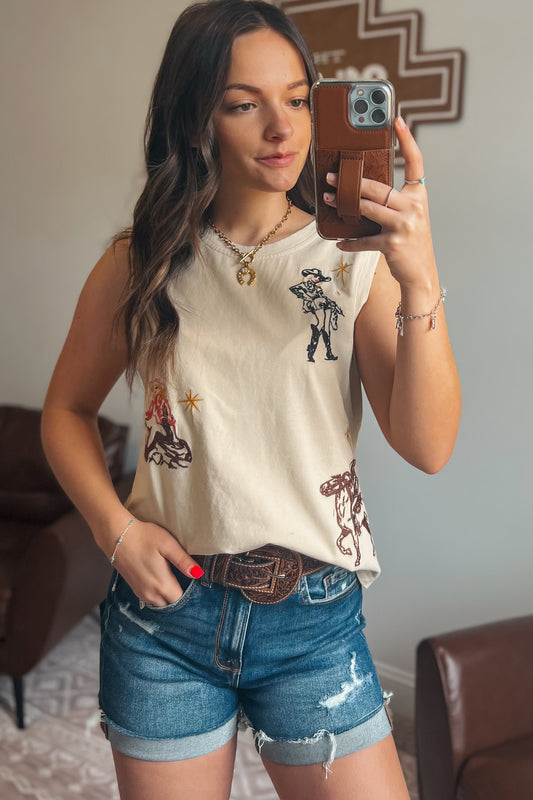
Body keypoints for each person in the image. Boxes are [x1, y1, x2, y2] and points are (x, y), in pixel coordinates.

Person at [41, 1, 461, 798]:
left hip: (311, 618)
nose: (281, 127)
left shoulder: (351, 258)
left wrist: (419, 276)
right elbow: (64, 412)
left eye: (297, 98)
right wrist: (115, 529)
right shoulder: (140, 261)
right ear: (197, 116)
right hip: (164, 617)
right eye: (243, 103)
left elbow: (428, 445)